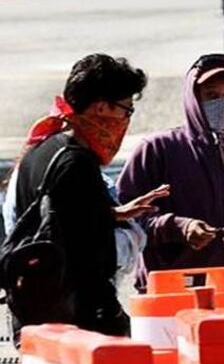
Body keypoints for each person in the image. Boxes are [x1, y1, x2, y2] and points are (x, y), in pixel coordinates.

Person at [8, 54, 167, 337]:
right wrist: (113, 319)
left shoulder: (43, 148)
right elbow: (88, 257)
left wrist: (112, 214)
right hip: (77, 326)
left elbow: (60, 219)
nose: (126, 120)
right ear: (102, 108)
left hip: (33, 316)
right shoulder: (77, 163)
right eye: (126, 110)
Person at [117, 54, 224, 291]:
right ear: (193, 99)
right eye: (211, 95)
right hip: (168, 288)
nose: (222, 104)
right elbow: (127, 218)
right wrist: (179, 227)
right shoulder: (157, 150)